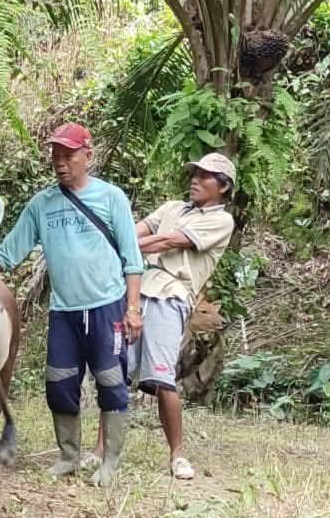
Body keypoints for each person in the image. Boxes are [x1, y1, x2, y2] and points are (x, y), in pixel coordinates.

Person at [0, 123, 145, 487]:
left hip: (107, 307)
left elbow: (133, 259)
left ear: (88, 156)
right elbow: (8, 252)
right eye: (55, 156)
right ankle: (69, 456)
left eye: (69, 156)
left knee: (111, 382)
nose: (60, 162)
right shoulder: (42, 205)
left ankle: (110, 461)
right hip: (63, 311)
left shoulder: (111, 198)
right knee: (59, 383)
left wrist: (133, 308)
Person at [87, 152, 236, 480]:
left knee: (162, 378)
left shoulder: (221, 221)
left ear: (223, 187)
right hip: (136, 290)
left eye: (205, 176)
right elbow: (135, 228)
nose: (195, 180)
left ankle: (177, 455)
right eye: (195, 173)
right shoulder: (172, 208)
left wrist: (124, 244)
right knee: (116, 372)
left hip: (172, 295)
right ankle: (100, 450)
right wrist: (118, 236)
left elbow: (168, 240)